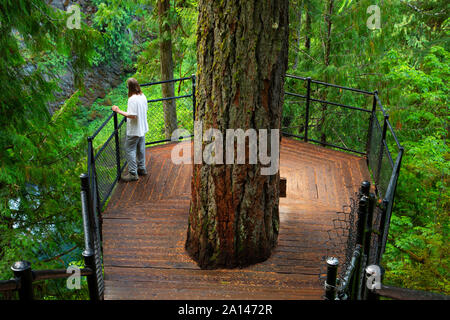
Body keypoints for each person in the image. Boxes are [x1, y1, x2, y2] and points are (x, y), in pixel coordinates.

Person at [112, 78, 148, 182]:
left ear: (130, 87)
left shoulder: (132, 99)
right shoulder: (142, 96)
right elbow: (145, 110)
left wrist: (118, 111)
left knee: (129, 149)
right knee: (140, 147)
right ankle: (142, 168)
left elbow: (132, 115)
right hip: (142, 127)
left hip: (135, 129)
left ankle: (133, 173)